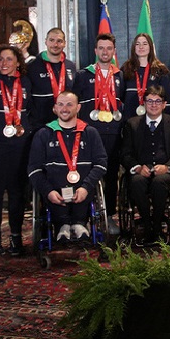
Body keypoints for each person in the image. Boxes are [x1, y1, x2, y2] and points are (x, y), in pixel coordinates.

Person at [28, 91, 108, 242]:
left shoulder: (90, 132)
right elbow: (34, 169)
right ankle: (61, 225)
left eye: (69, 104)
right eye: (61, 104)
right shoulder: (43, 134)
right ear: (55, 108)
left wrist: (85, 187)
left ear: (78, 108)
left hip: (84, 190)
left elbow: (101, 164)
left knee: (90, 182)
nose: (65, 108)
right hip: (54, 192)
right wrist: (48, 191)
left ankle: (80, 223)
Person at [0, 44, 32, 257]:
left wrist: (26, 131)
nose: (4, 64)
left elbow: (33, 113)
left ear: (18, 62)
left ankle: (16, 237)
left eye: (9, 59)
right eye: (1, 59)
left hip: (20, 147)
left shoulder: (27, 83)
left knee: (18, 194)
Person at [121, 85, 170, 246]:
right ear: (144, 103)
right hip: (140, 170)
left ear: (164, 104)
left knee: (159, 182)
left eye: (158, 101)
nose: (153, 105)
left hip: (165, 171)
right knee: (136, 181)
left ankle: (157, 227)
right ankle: (147, 224)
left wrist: (168, 167)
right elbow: (125, 154)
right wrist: (137, 167)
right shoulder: (132, 124)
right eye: (149, 101)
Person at [73, 33, 125, 225]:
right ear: (95, 51)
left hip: (113, 134)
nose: (105, 52)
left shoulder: (119, 76)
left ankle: (109, 215)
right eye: (101, 48)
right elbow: (74, 105)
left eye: (109, 48)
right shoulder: (82, 75)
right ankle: (85, 217)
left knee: (111, 175)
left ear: (114, 51)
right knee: (87, 174)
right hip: (89, 135)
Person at [26, 27, 78, 132]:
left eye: (59, 41)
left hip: (65, 124)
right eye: (51, 40)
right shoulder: (32, 66)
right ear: (45, 41)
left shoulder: (70, 66)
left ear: (65, 43)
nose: (55, 45)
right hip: (39, 126)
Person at [121, 32, 170, 118]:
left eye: (145, 44)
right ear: (134, 47)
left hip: (154, 121)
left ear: (151, 47)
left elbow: (167, 100)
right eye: (137, 44)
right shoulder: (126, 69)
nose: (141, 47)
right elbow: (121, 96)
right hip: (129, 120)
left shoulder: (161, 71)